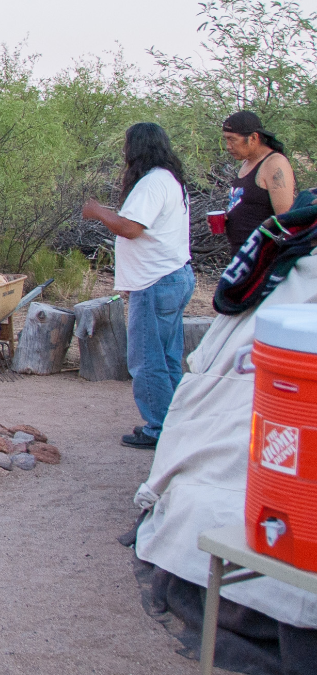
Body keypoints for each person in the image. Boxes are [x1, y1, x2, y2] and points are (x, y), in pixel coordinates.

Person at [82, 123, 195, 449]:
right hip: (173, 275)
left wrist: (99, 212)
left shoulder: (152, 183)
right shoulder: (169, 179)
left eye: (127, 145)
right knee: (168, 357)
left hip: (156, 282)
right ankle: (175, 422)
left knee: (147, 360)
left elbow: (131, 228)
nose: (124, 152)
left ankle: (159, 428)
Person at [220, 111, 295, 250]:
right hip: (241, 252)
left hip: (261, 254)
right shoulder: (247, 162)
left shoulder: (274, 164)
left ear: (253, 138)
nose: (228, 146)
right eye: (226, 139)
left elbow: (285, 218)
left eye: (233, 139)